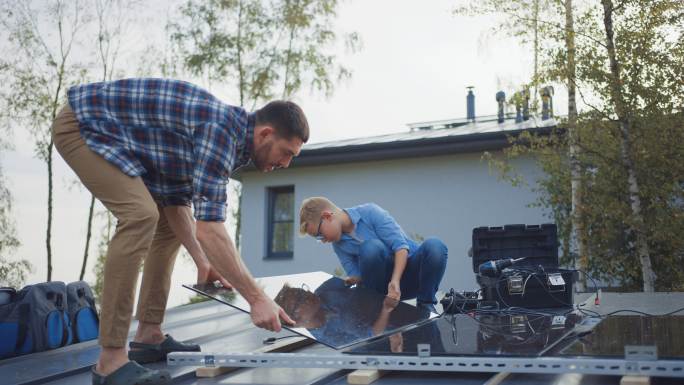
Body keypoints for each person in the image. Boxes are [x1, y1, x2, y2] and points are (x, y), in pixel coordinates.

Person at [51, 78, 305, 385]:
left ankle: (148, 335)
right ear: (266, 133)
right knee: (140, 215)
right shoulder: (220, 130)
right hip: (83, 124)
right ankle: (110, 362)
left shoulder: (233, 142)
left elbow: (176, 203)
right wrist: (256, 298)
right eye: (287, 152)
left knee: (165, 225)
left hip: (118, 138)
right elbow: (210, 229)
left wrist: (203, 262)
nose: (286, 163)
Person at [298, 197, 448, 313]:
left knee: (435, 246)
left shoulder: (370, 212)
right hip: (382, 290)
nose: (323, 240)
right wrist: (338, 287)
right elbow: (358, 276)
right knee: (371, 249)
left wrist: (395, 281)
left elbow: (401, 247)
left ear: (327, 216)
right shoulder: (339, 246)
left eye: (319, 234)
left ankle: (426, 304)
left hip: (410, 276)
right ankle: (375, 309)